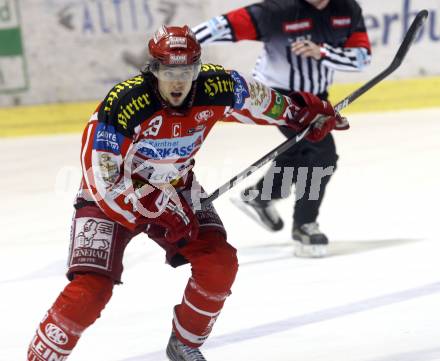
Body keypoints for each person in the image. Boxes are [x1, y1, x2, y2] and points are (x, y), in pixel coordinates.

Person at [27, 25, 347, 361]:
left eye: (187, 71)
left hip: (177, 187)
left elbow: (261, 100)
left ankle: (185, 345)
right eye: (169, 71)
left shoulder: (218, 85)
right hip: (110, 199)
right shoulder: (124, 103)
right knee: (90, 289)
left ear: (197, 69)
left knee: (219, 262)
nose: (178, 81)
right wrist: (158, 208)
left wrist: (303, 113)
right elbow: (102, 177)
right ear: (154, 69)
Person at [193, 0, 371, 257]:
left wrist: (322, 53)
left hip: (316, 96)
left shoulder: (347, 9)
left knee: (301, 149)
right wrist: (178, 50)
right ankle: (305, 224)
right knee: (322, 153)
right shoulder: (276, 10)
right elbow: (211, 29)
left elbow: (361, 59)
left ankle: (261, 195)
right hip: (275, 96)